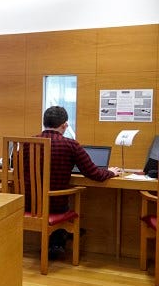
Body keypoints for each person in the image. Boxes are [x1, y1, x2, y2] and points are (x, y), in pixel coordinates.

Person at [32, 106, 120, 257]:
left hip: (27, 203)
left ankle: (59, 239)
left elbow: (13, 165)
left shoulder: (28, 143)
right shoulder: (70, 145)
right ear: (65, 125)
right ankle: (61, 238)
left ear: (44, 122)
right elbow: (94, 173)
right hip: (55, 205)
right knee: (62, 200)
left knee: (54, 198)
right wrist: (111, 172)